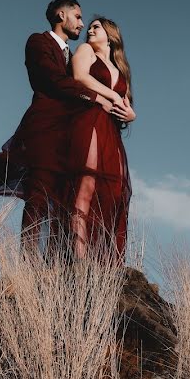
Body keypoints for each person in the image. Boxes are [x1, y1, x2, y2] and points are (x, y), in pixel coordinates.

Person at [0, 0, 117, 254]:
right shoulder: (38, 42)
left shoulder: (73, 56)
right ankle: (29, 268)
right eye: (78, 17)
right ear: (62, 15)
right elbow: (53, 81)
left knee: (63, 201)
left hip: (68, 137)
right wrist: (97, 98)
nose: (82, 24)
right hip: (43, 130)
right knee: (38, 197)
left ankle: (56, 264)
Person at [65, 17, 135, 264]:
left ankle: (106, 263)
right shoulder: (85, 50)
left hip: (111, 132)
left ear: (111, 34)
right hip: (90, 121)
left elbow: (127, 105)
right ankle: (79, 260)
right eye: (90, 27)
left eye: (96, 27)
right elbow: (80, 76)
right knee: (86, 184)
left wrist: (131, 113)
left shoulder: (120, 67)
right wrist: (113, 96)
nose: (89, 30)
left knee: (113, 194)